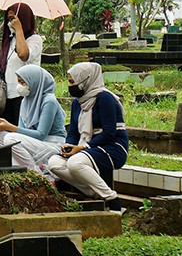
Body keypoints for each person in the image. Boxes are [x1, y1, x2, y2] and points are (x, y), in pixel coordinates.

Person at [47, 62, 128, 212]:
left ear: (86, 80)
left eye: (72, 81)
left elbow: (109, 133)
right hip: (86, 146)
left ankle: (112, 198)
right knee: (54, 163)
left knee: (75, 163)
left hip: (112, 146)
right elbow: (73, 132)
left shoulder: (105, 98)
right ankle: (93, 192)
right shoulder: (77, 103)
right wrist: (69, 146)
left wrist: (82, 147)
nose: (70, 85)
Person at [0, 64, 66, 172]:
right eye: (19, 82)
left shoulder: (49, 101)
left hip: (51, 144)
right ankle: (13, 169)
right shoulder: (25, 101)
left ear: (34, 82)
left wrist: (10, 127)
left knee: (11, 139)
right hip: (34, 143)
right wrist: (3, 126)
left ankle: (35, 174)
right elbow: (21, 132)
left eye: (22, 82)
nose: (19, 86)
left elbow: (41, 135)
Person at [0, 2, 42, 126]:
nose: (11, 23)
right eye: (9, 19)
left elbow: (23, 54)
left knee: (20, 133)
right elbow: (5, 67)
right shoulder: (10, 41)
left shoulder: (34, 39)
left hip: (23, 95)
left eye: (14, 19)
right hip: (7, 95)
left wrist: (19, 29)